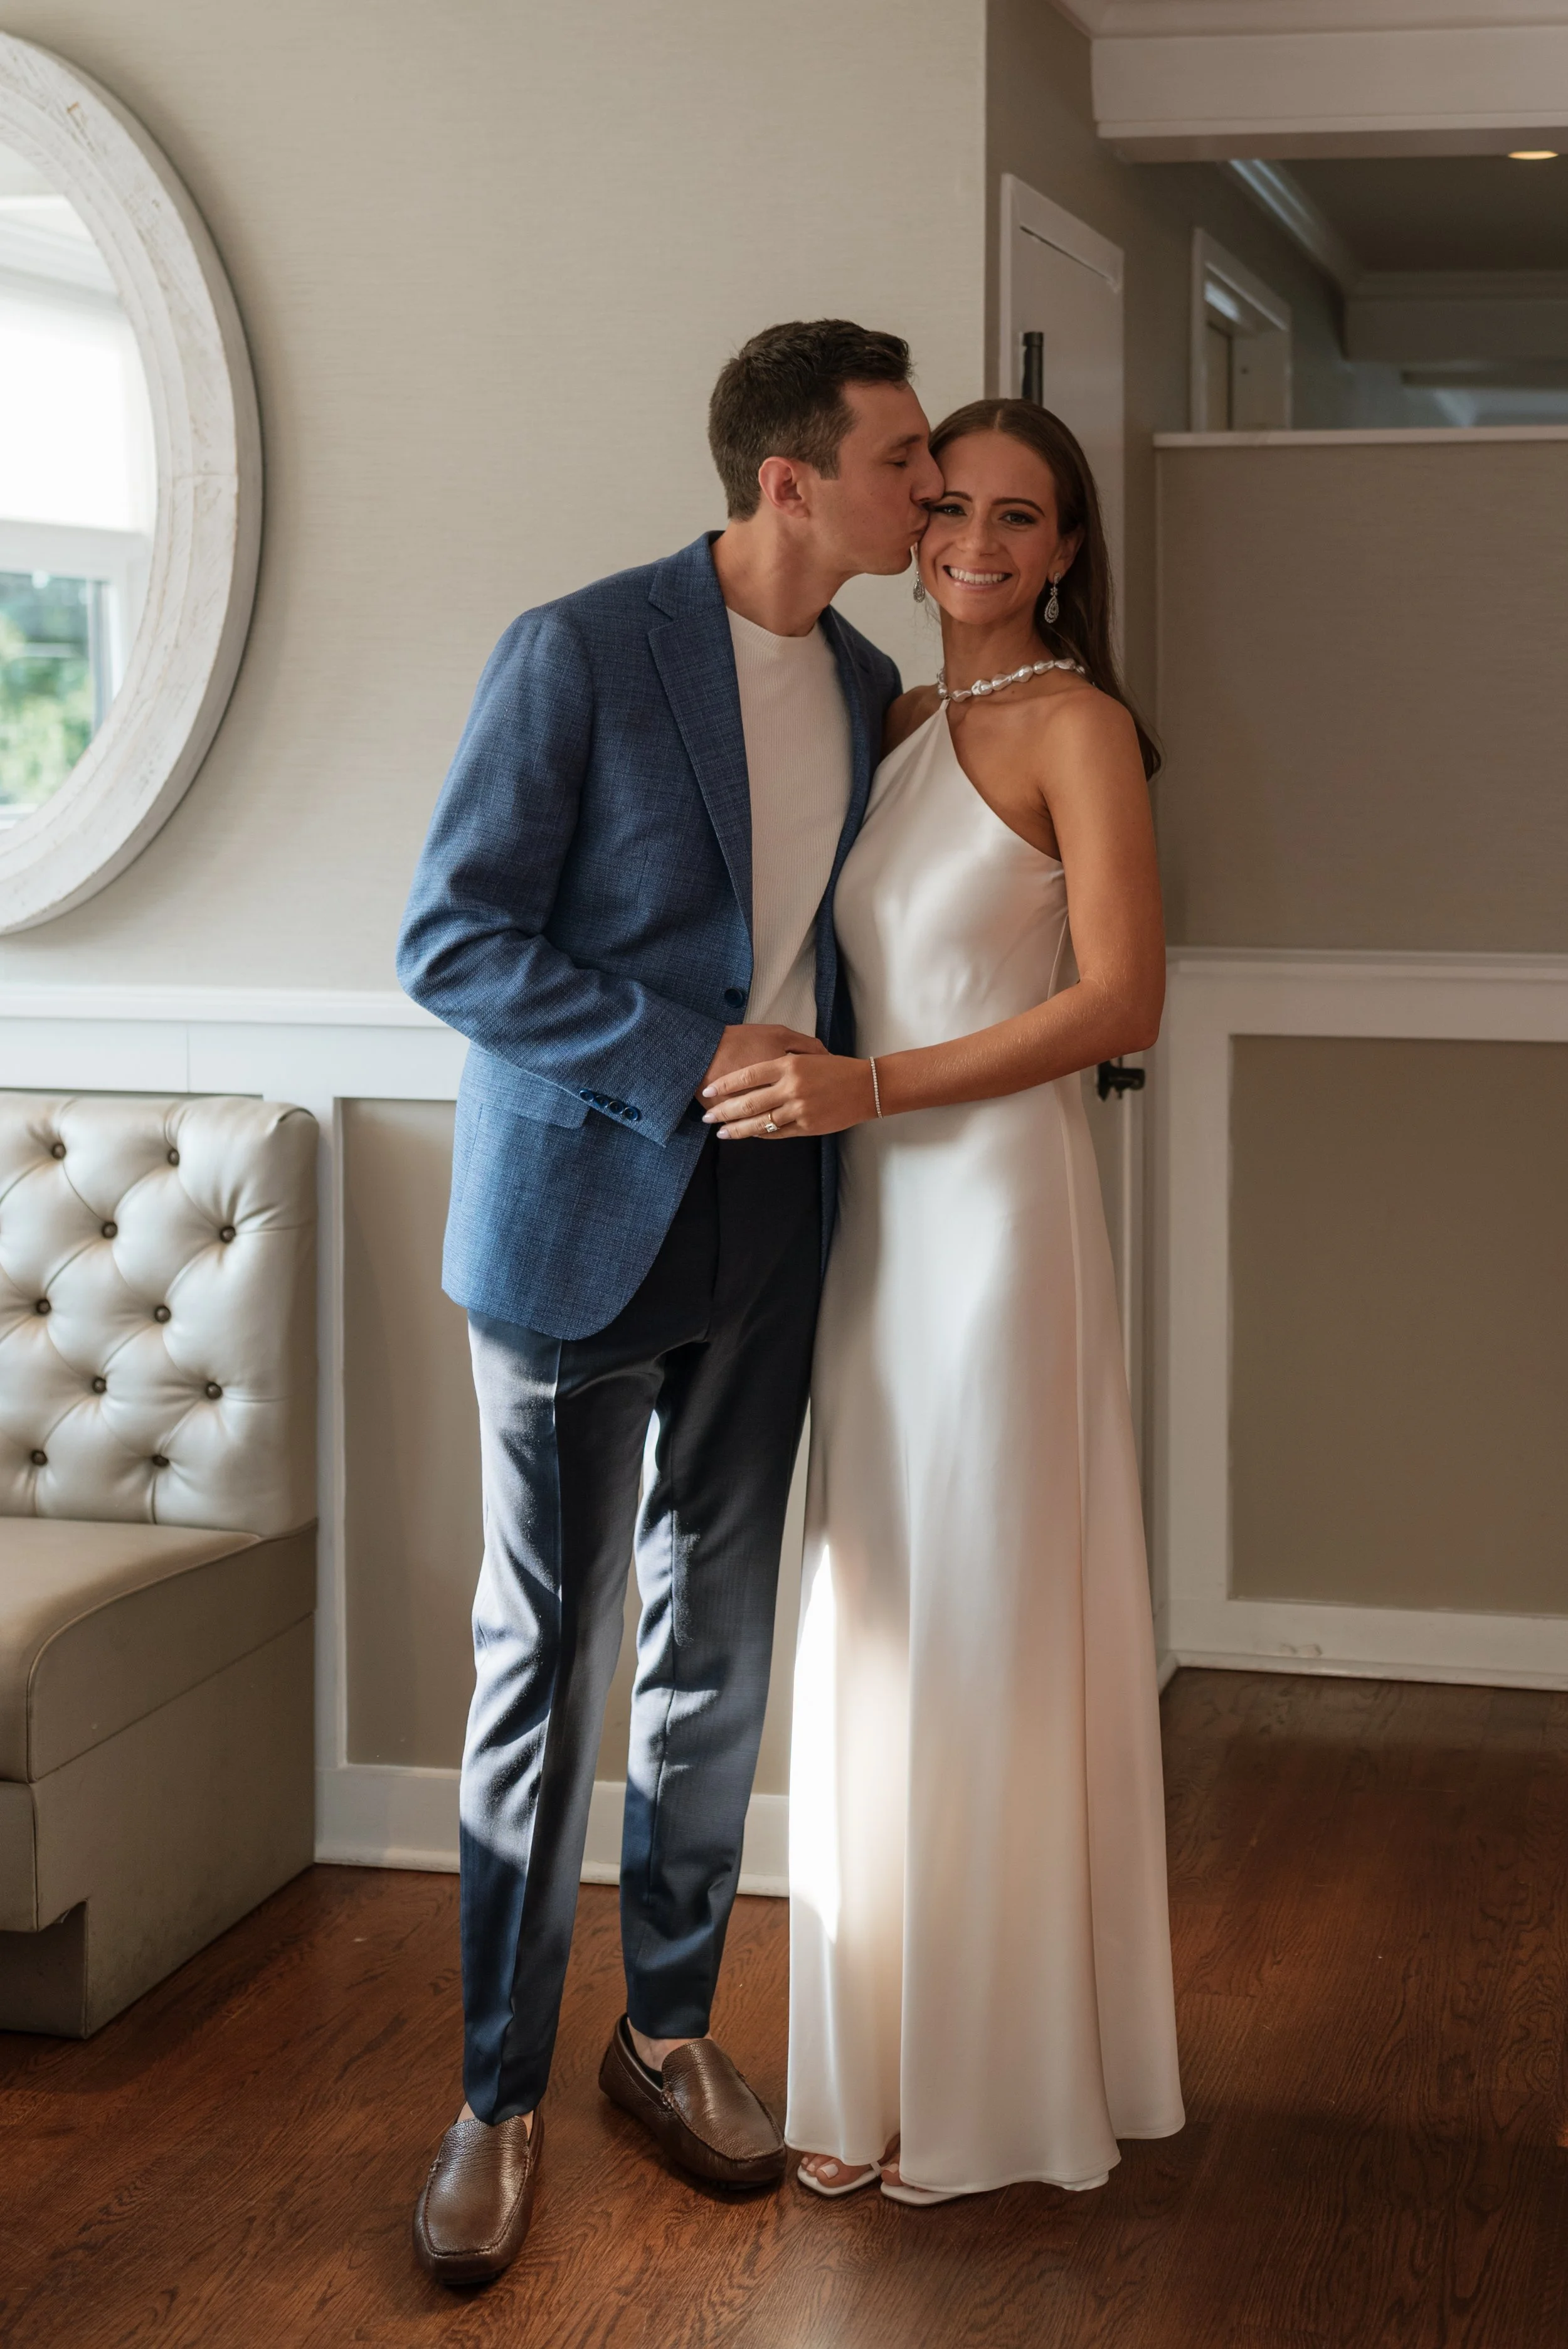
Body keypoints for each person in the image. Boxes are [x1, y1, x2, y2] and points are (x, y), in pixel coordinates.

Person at [395, 320, 942, 2284]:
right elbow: (449, 938)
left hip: (775, 1227)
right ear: (790, 480)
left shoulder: (876, 679)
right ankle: (492, 2099)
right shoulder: (580, 647)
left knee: (713, 1644)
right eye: (898, 459)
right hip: (571, 1222)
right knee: (542, 1663)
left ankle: (666, 2032)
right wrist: (689, 1053)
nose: (927, 488)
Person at [699, 399, 1185, 2203]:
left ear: (1064, 551)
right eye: (951, 503)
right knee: (885, 1614)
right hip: (869, 1231)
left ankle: (996, 2092)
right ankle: (879, 2071)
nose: (975, 537)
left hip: (992, 1221)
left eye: (1020, 514)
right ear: (909, 528)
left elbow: (1121, 1001)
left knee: (986, 1616)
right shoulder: (892, 719)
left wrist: (870, 1091)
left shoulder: (1080, 726)